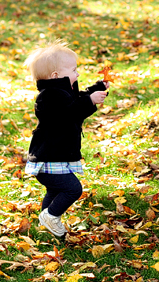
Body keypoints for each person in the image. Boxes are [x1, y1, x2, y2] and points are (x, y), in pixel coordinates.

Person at [24, 41, 108, 237]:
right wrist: (89, 101)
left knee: (55, 191)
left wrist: (97, 89)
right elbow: (68, 113)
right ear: (56, 76)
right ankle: (51, 216)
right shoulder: (49, 96)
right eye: (73, 70)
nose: (77, 74)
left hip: (56, 156)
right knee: (73, 189)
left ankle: (47, 221)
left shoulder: (62, 92)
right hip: (49, 157)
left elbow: (76, 103)